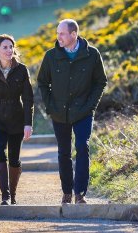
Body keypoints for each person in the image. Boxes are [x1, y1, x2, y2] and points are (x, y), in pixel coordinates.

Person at [37, 19, 107, 204]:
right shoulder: (51, 56)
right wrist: (50, 106)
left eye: (62, 33)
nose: (58, 37)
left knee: (82, 147)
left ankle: (80, 193)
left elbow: (101, 82)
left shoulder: (92, 54)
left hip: (83, 112)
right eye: (57, 33)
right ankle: (67, 192)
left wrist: (90, 106)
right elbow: (42, 82)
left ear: (73, 34)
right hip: (59, 113)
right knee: (64, 152)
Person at [0, 34, 34, 205]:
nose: (9, 50)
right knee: (0, 153)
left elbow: (28, 99)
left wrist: (28, 123)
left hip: (17, 120)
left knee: (14, 157)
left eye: (11, 47)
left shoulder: (21, 69)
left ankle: (14, 194)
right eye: (5, 47)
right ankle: (5, 195)